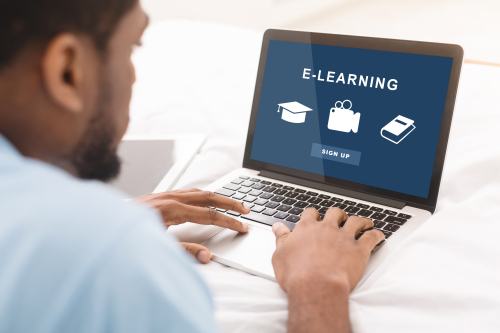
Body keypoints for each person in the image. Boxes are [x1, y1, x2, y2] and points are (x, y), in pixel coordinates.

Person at [0, 0, 385, 332]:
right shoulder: (116, 261)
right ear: (68, 70)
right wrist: (318, 282)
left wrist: (95, 229)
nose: (134, 75)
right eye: (131, 46)